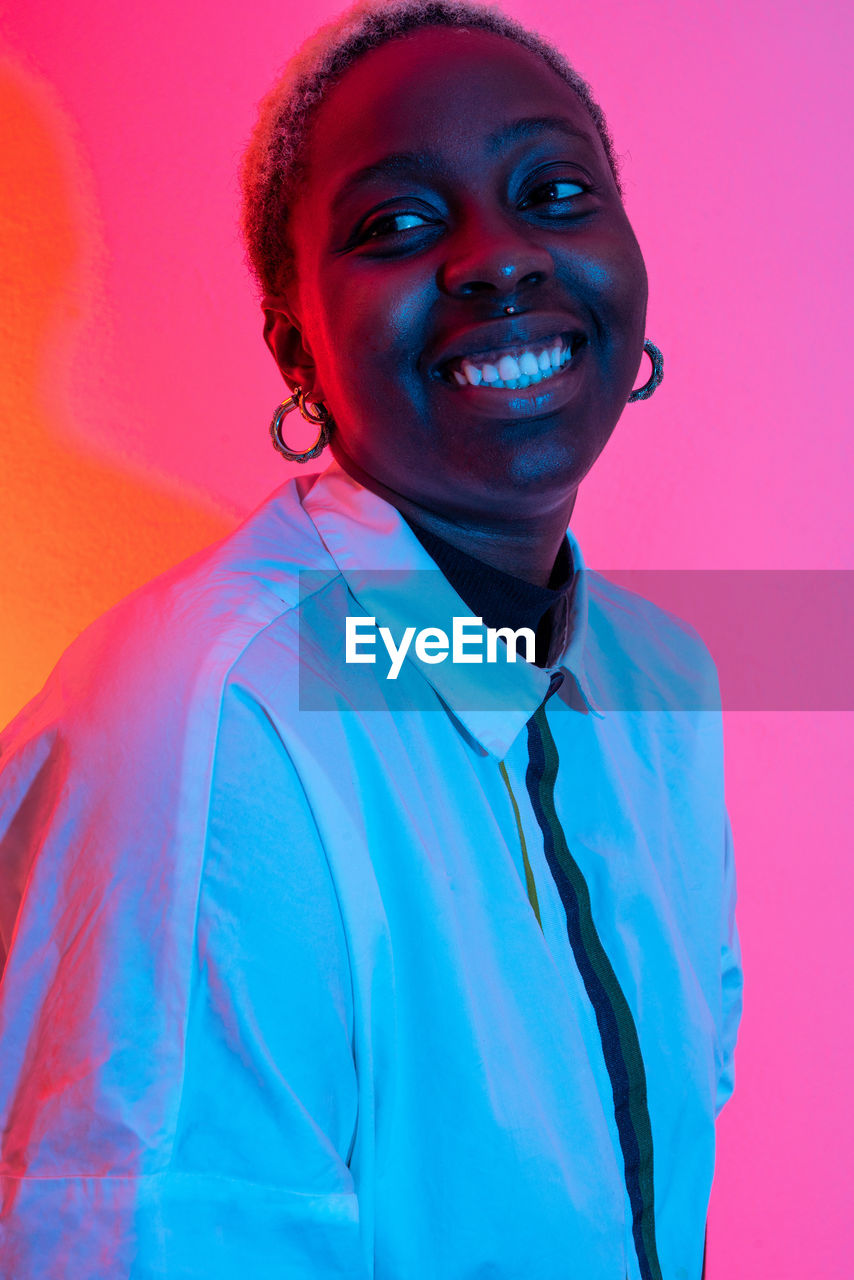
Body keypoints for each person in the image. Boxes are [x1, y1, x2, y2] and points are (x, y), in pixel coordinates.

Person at [0, 1, 742, 1276]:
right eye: (395, 225)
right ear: (294, 338)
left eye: (554, 192)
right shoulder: (212, 725)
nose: (499, 259)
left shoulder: (655, 678)